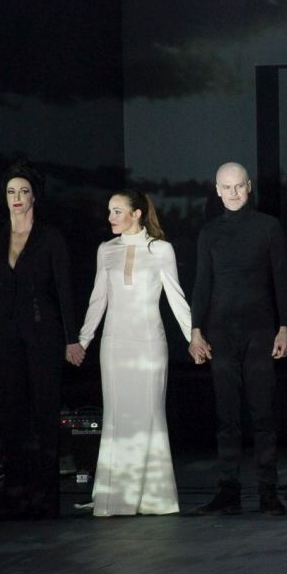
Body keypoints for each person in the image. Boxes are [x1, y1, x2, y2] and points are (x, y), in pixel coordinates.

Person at [71, 190, 192, 516]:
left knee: (150, 414)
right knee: (117, 417)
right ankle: (115, 498)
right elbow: (99, 298)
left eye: (117, 211)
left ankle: (154, 497)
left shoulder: (160, 249)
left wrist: (193, 336)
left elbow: (176, 297)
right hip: (114, 345)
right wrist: (83, 340)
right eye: (110, 211)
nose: (110, 217)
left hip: (149, 343)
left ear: (136, 213)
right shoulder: (106, 250)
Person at [188, 162, 287, 515]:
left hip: (260, 330)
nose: (233, 193)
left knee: (263, 412)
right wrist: (195, 330)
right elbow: (202, 283)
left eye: (239, 186)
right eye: (226, 187)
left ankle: (267, 490)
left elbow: (282, 279)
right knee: (227, 415)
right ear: (217, 190)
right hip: (220, 331)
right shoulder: (209, 232)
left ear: (249, 187)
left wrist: (284, 327)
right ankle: (228, 490)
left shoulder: (268, 227)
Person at [0, 161, 81, 518]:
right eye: (11, 191)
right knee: (11, 411)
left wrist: (72, 338)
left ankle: (45, 494)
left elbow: (64, 289)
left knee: (44, 410)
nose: (17, 198)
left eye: (23, 191)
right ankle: (14, 492)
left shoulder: (50, 237)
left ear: (34, 196)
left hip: (43, 331)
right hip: (5, 332)